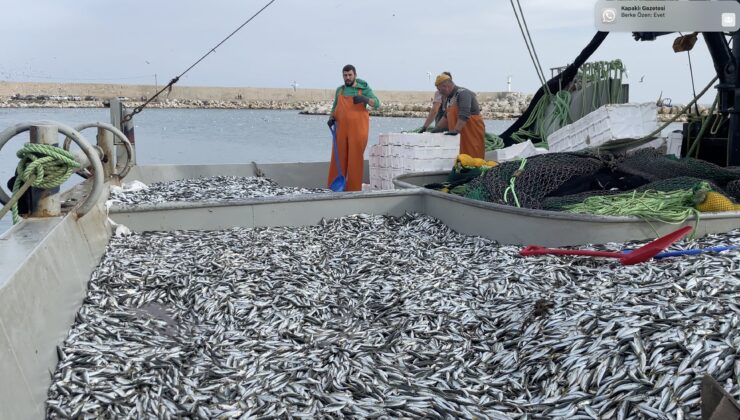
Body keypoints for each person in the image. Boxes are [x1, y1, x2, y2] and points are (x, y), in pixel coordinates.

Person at [326, 64, 381, 191]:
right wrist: (331, 118)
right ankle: (334, 189)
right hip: (340, 131)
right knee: (338, 159)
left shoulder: (363, 88)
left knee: (355, 161)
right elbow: (334, 107)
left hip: (357, 131)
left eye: (350, 75)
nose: (347, 78)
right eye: (345, 75)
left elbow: (377, 104)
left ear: (355, 75)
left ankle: (353, 190)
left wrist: (364, 99)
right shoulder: (340, 91)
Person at [433, 74, 485, 159]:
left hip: (471, 132)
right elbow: (446, 117)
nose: (439, 92)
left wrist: (456, 130)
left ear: (446, 86)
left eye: (439, 90)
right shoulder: (450, 99)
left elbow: (464, 114)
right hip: (459, 135)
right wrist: (435, 130)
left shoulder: (463, 93)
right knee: (461, 159)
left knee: (473, 158)